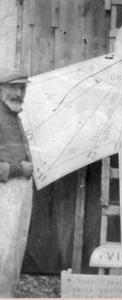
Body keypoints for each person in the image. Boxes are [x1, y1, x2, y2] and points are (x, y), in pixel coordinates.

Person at [0, 68, 33, 297]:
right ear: (2, 89)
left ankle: (7, 293)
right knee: (4, 245)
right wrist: (20, 168)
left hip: (20, 188)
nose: (20, 93)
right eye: (15, 88)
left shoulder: (15, 116)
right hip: (5, 190)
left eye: (23, 88)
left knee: (15, 245)